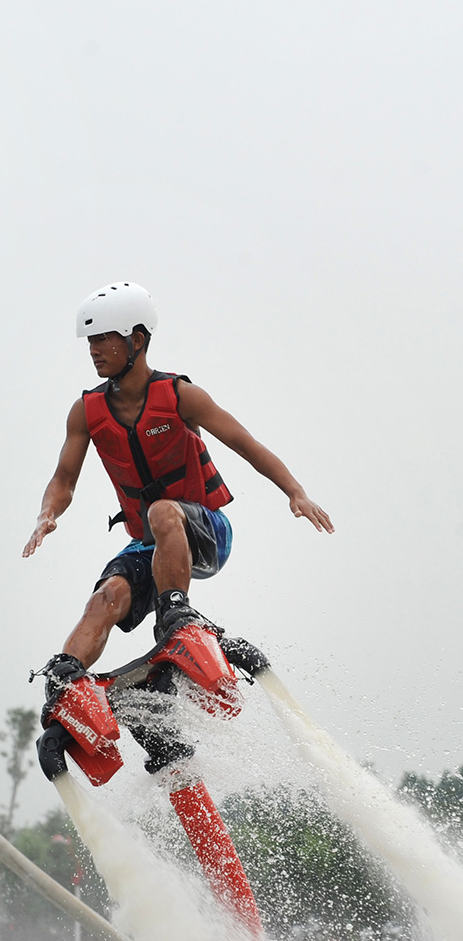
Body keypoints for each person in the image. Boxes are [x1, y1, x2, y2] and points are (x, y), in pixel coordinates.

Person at [23, 281, 333, 721]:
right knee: (106, 596)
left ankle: (176, 617)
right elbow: (63, 480)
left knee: (162, 511)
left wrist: (295, 492)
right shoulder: (86, 411)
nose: (93, 349)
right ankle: (66, 688)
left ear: (137, 339)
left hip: (206, 531)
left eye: (103, 338)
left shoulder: (180, 396)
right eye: (89, 340)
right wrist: (46, 514)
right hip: (152, 541)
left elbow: (246, 443)